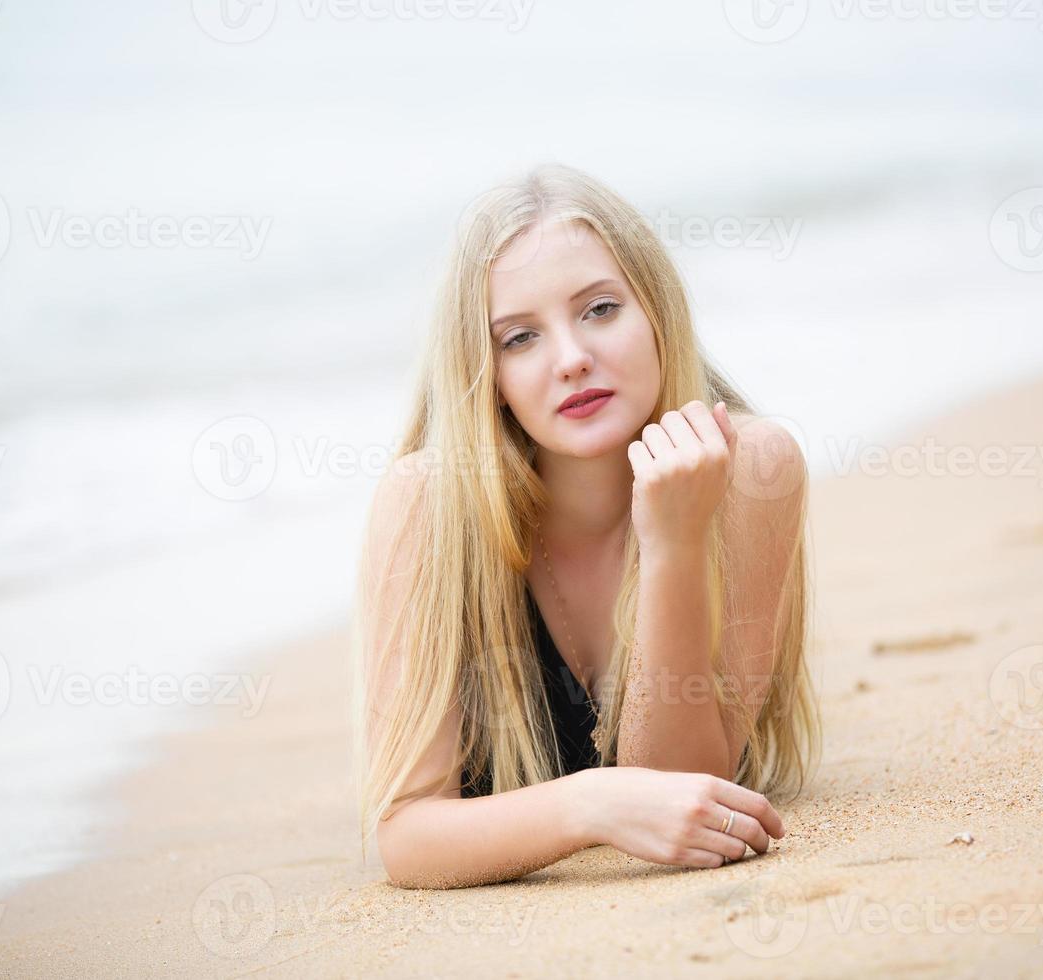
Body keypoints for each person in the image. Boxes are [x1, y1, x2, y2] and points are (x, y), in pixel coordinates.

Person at [350, 163, 819, 889]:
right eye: (519, 338)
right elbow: (408, 838)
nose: (572, 359)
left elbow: (684, 789)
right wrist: (591, 806)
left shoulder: (751, 467)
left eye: (600, 309)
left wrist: (675, 541)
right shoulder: (427, 506)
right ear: (488, 373)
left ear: (656, 309)